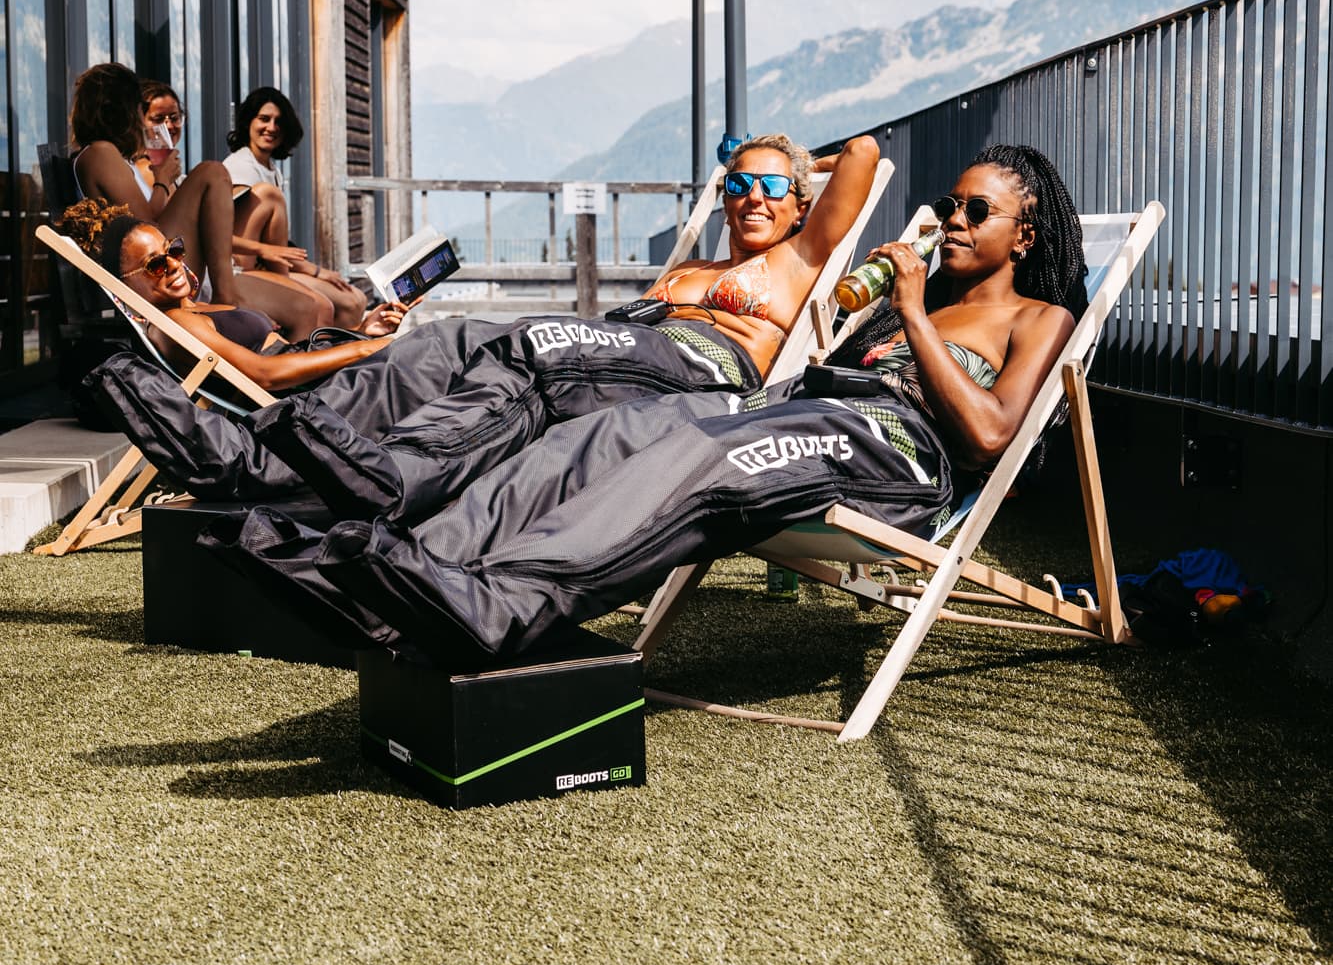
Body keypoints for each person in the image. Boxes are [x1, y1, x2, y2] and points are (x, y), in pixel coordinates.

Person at [211, 146, 1087, 658]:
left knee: (697, 463)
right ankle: (396, 578)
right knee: (607, 437)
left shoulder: (1038, 316)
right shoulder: (929, 299)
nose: (956, 219)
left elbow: (986, 435)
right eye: (950, 204)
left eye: (979, 209)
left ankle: (505, 600)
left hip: (889, 449)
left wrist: (904, 310)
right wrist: (907, 305)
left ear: (1028, 231)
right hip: (808, 409)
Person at [248, 131, 883, 522]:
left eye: (773, 186)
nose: (754, 197)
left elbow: (865, 153)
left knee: (534, 349)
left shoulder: (799, 256)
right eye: (740, 184)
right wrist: (769, 170)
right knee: (454, 337)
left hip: (702, 365)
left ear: (802, 204)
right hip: (623, 346)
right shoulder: (697, 265)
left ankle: (396, 476)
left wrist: (799, 166)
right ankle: (267, 459)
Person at [69, 64, 324, 341]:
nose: (141, 118)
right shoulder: (101, 152)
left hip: (152, 262)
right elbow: (144, 223)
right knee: (211, 172)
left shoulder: (106, 155)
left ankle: (228, 292)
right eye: (138, 108)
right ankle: (226, 291)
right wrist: (164, 179)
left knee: (210, 176)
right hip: (149, 268)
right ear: (121, 110)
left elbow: (146, 218)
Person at [56, 198, 412, 392]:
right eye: (155, 265)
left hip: (322, 380)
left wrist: (364, 332)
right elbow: (263, 374)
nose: (175, 265)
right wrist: (363, 349)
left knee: (446, 349)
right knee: (443, 349)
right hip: (315, 397)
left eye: (174, 251)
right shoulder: (173, 325)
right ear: (125, 284)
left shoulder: (191, 309)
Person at [225, 86, 367, 331]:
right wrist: (311, 272)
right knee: (337, 304)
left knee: (357, 299)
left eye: (279, 121)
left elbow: (277, 247)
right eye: (264, 119)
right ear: (248, 122)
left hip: (272, 264)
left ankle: (341, 358)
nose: (271, 127)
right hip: (241, 268)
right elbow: (229, 235)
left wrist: (317, 271)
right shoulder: (239, 167)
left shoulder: (272, 170)